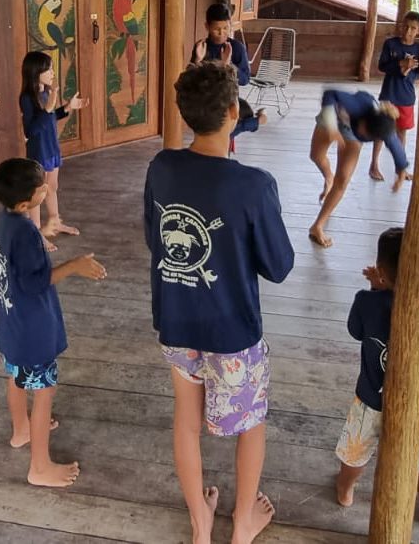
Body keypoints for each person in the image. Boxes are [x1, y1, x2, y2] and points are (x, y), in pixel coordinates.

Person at [144, 61, 295, 544]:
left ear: (184, 113)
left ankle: (199, 522)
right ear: (234, 112)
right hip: (232, 331)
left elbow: (157, 240)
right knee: (250, 423)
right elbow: (279, 265)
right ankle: (243, 520)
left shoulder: (161, 167)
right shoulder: (253, 185)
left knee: (186, 422)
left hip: (176, 320)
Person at [0, 157, 107, 488]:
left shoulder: (5, 219)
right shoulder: (23, 229)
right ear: (27, 202)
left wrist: (41, 231)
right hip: (32, 332)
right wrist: (74, 265)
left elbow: (20, 262)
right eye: (42, 188)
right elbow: (34, 282)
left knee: (15, 376)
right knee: (44, 391)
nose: (47, 188)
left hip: (11, 326)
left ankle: (20, 431)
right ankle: (39, 467)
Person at [335, 227, 419, 526]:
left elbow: (356, 331)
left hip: (369, 399)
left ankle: (345, 490)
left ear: (382, 271)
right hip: (412, 401)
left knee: (355, 451)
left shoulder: (366, 301)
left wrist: (377, 290)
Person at [309, 89, 410, 248]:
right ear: (364, 121)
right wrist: (331, 128)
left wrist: (401, 170)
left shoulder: (383, 126)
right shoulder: (358, 105)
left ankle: (317, 226)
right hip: (333, 116)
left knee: (342, 181)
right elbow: (330, 93)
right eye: (365, 132)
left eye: (368, 137)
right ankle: (328, 177)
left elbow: (395, 145)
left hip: (351, 134)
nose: (365, 136)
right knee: (316, 156)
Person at [20, 51, 88, 244]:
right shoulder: (27, 97)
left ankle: (55, 222)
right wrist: (49, 106)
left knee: (52, 187)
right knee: (38, 192)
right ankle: (37, 233)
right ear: (35, 72)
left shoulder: (45, 94)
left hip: (52, 148)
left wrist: (67, 107)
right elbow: (31, 129)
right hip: (39, 151)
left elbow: (49, 118)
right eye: (47, 69)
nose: (52, 73)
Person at [191, 2, 267, 138]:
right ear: (207, 27)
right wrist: (197, 60)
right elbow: (190, 81)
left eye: (226, 28)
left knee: (226, 128)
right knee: (216, 132)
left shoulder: (236, 48)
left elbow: (245, 80)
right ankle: (257, 121)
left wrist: (228, 64)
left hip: (228, 100)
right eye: (216, 29)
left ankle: (254, 121)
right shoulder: (201, 47)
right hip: (206, 101)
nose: (221, 33)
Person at [369, 11, 419, 181]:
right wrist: (401, 64)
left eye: (413, 28)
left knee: (401, 133)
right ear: (401, 25)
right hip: (389, 94)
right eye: (405, 26)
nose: (408, 31)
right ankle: (374, 165)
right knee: (381, 131)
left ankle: (401, 167)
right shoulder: (391, 44)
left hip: (406, 96)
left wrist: (408, 72)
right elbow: (382, 66)